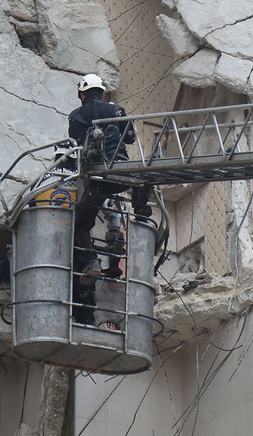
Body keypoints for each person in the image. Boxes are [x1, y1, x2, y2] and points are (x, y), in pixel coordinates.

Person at [67, 74, 150, 325]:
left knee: (82, 223)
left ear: (82, 95)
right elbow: (131, 138)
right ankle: (137, 215)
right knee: (129, 196)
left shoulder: (76, 116)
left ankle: (91, 260)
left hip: (93, 176)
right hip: (120, 171)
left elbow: (75, 143)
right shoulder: (117, 109)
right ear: (102, 93)